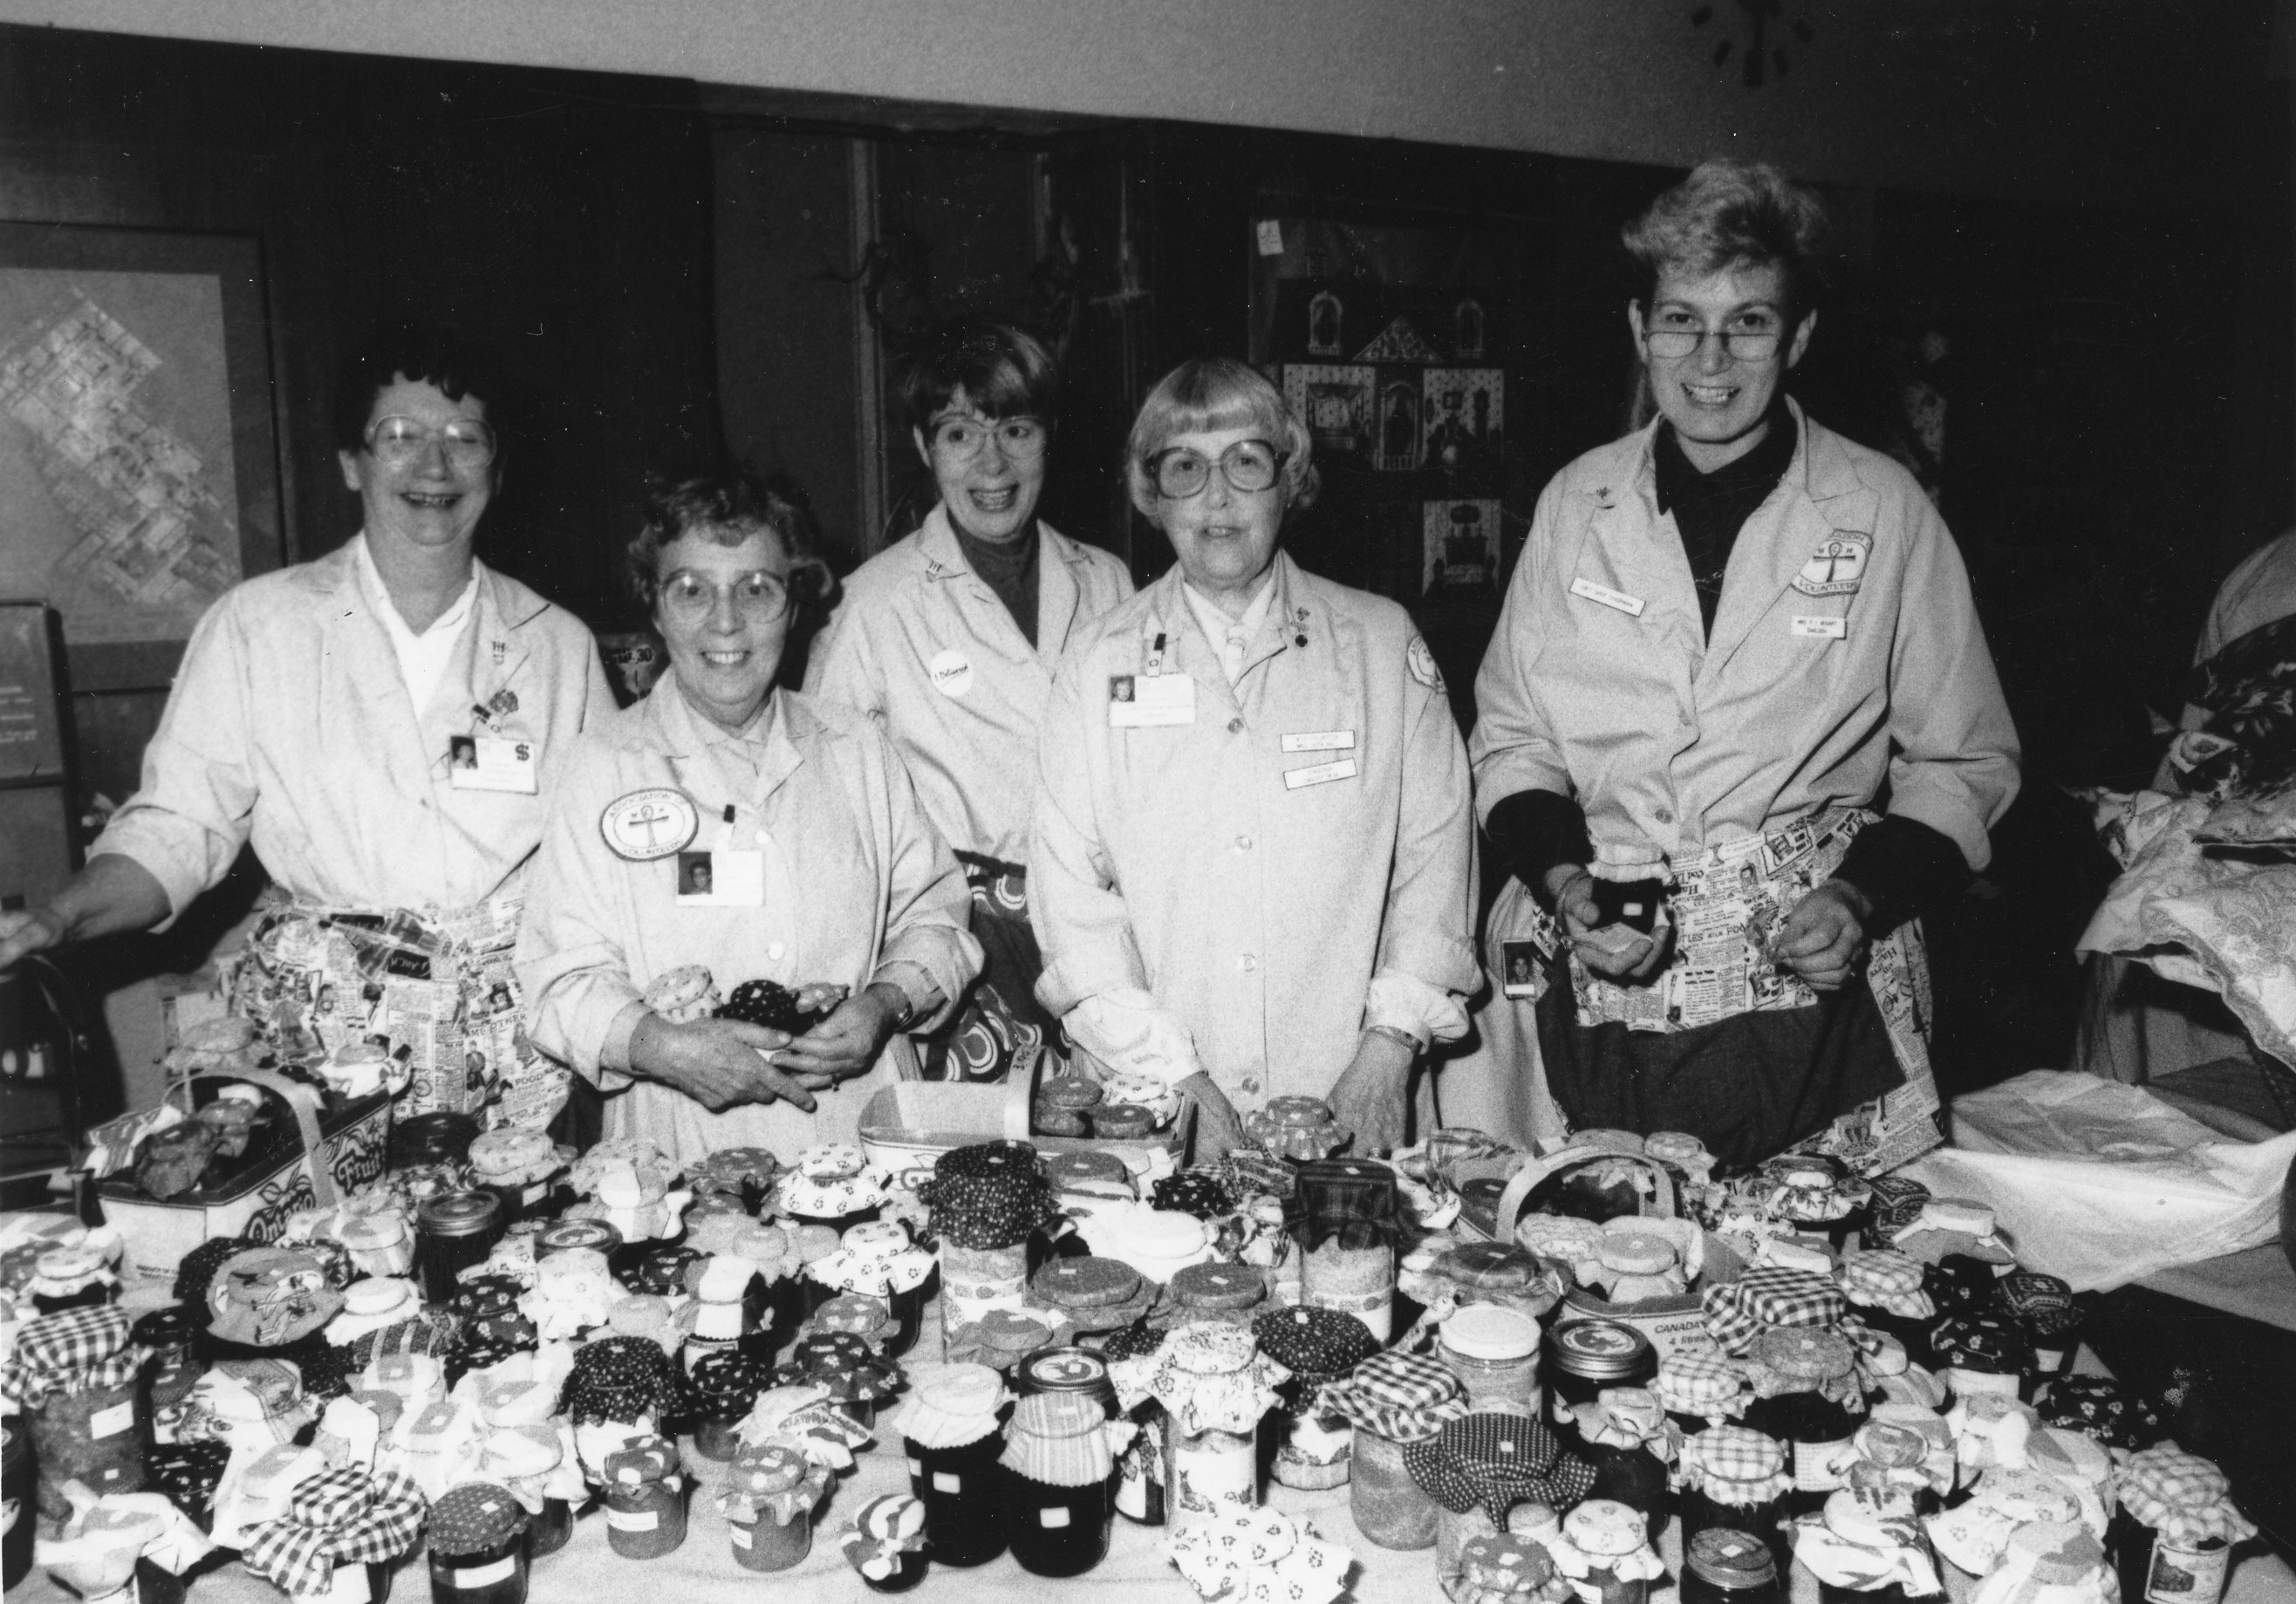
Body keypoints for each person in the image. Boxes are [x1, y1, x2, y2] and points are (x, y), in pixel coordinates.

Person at [1457, 159, 2019, 1172]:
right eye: (1680, 319)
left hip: (1813, 985)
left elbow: (1966, 761)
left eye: (1748, 322)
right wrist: (1563, 881)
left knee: (1815, 1292)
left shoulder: (1882, 509)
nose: (1709, 358)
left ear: (1798, 337)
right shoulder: (1574, 503)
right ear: (1639, 329)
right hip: (1608, 970)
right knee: (1613, 1270)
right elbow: (1511, 739)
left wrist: (1855, 900)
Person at [0, 326, 615, 1109]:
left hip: (515, 1056)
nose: (434, 465)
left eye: (466, 438)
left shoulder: (558, 645)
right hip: (321, 1053)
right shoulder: (261, 625)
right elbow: (179, 829)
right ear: (350, 464)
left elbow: (606, 862)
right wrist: (57, 917)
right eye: (400, 436)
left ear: (497, 466)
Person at [1028, 358, 1478, 1157]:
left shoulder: (1380, 643)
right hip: (1156, 1108)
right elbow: (1070, 907)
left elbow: (1438, 860)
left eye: (1246, 460)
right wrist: (1174, 1078)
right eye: (1186, 468)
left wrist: (1388, 1051)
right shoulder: (1097, 665)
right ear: (1152, 493)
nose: (1218, 496)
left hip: (1356, 1092)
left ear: (1288, 477)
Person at [516, 470, 982, 1161]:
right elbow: (558, 979)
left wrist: (886, 1003)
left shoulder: (856, 747)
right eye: (692, 590)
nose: (726, 621)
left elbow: (935, 919)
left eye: (757, 589)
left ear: (794, 604)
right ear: (655, 605)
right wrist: (658, 1046)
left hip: (863, 1131)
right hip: (679, 1150)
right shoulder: (604, 763)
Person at [805, 320, 1131, 1083]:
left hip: (1104, 939)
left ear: (1049, 437)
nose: (993, 463)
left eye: (1016, 429)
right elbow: (830, 817)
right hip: (966, 960)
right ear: (925, 449)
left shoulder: (1112, 583)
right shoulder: (873, 605)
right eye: (960, 434)